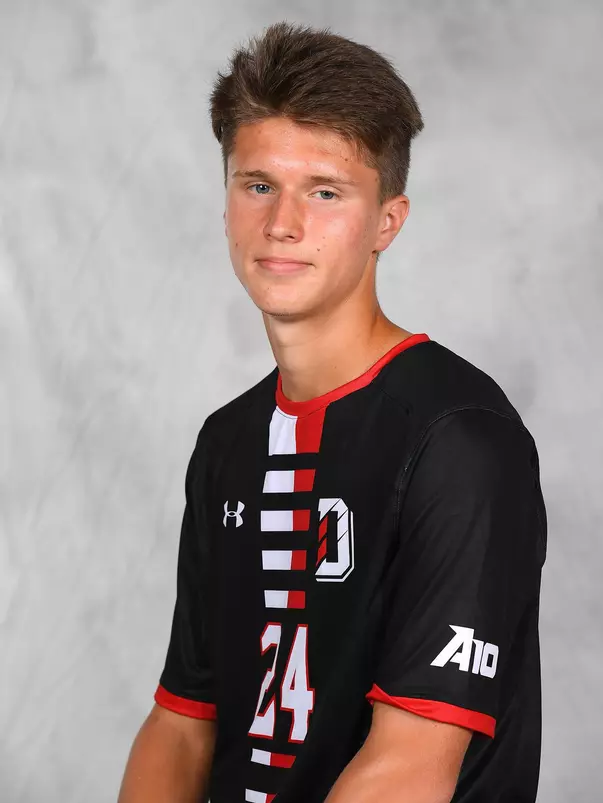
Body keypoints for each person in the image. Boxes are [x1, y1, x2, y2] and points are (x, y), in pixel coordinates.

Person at [118, 21, 547, 803]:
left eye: (324, 190)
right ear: (224, 205)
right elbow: (182, 721)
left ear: (387, 219)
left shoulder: (460, 439)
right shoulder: (228, 442)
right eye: (257, 185)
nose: (282, 224)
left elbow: (410, 764)